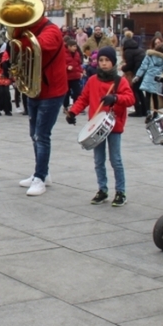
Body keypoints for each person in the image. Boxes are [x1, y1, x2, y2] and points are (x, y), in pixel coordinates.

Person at [66, 46, 134, 207]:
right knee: (98, 160)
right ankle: (102, 189)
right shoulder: (92, 80)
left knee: (115, 159)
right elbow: (83, 98)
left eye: (107, 60)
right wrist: (73, 112)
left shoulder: (120, 81)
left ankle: (120, 191)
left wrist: (115, 98)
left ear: (113, 62)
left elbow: (130, 99)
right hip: (96, 126)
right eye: (101, 60)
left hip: (114, 125)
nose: (103, 64)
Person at [18, 10, 67, 196]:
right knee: (34, 134)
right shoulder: (28, 30)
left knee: (42, 135)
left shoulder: (51, 30)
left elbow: (41, 45)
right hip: (35, 89)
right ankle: (42, 173)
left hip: (51, 91)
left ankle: (40, 178)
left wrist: (19, 36)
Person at [133, 42, 163, 117]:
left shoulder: (150, 56)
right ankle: (155, 112)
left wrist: (138, 76)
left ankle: (148, 111)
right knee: (155, 96)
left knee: (148, 96)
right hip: (158, 79)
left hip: (148, 77)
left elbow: (143, 66)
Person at [63, 38, 85, 112]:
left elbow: (78, 64)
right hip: (67, 77)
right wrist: (66, 67)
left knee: (77, 92)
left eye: (75, 46)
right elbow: (60, 64)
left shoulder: (77, 54)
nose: (75, 48)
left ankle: (76, 107)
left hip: (76, 76)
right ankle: (65, 106)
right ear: (68, 46)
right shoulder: (63, 53)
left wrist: (81, 71)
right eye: (73, 46)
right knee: (66, 93)